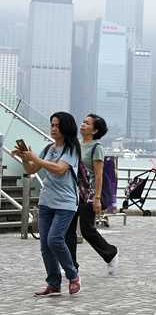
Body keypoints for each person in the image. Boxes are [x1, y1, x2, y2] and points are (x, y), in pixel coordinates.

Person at [14, 112, 82, 297]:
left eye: (57, 125)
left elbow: (59, 169)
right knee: (45, 245)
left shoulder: (71, 149)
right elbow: (32, 169)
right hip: (46, 202)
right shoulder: (48, 148)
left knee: (54, 240)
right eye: (52, 125)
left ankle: (73, 275)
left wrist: (35, 158)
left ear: (66, 127)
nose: (53, 128)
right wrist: (25, 158)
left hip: (66, 203)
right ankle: (54, 284)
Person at [64, 114, 120, 276]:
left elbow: (99, 175)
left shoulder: (97, 147)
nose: (82, 125)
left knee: (87, 230)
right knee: (68, 230)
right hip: (72, 192)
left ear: (95, 130)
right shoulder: (76, 144)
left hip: (88, 194)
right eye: (83, 122)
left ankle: (110, 253)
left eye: (87, 123)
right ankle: (71, 266)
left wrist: (96, 198)